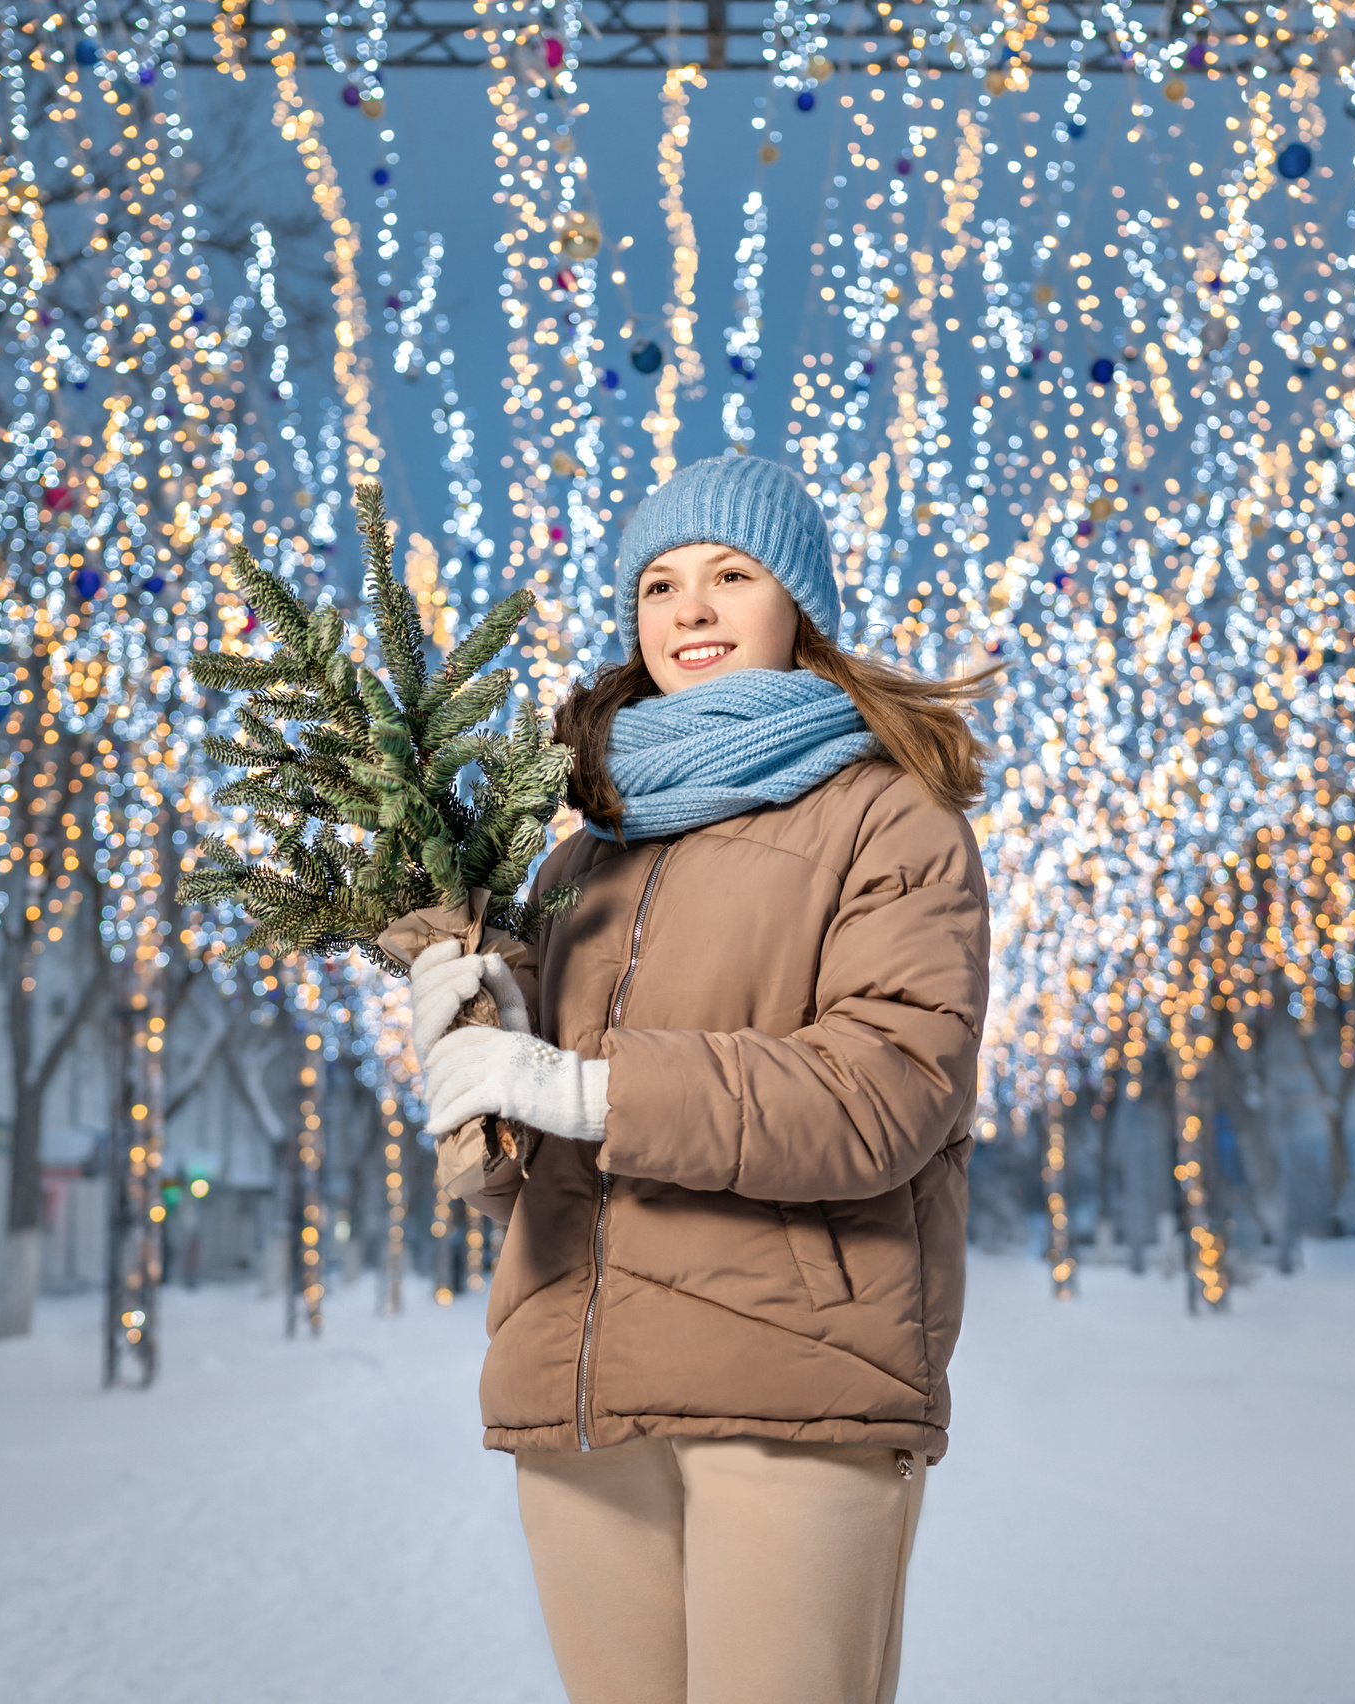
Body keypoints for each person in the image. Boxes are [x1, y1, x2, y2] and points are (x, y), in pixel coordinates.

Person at [401, 453, 997, 1704]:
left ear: (798, 607)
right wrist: (485, 1072)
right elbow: (537, 1183)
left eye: (733, 573)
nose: (693, 609)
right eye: (660, 584)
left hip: (793, 1389)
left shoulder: (887, 816)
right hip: (577, 1393)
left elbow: (882, 1097)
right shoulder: (578, 853)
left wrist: (585, 1087)